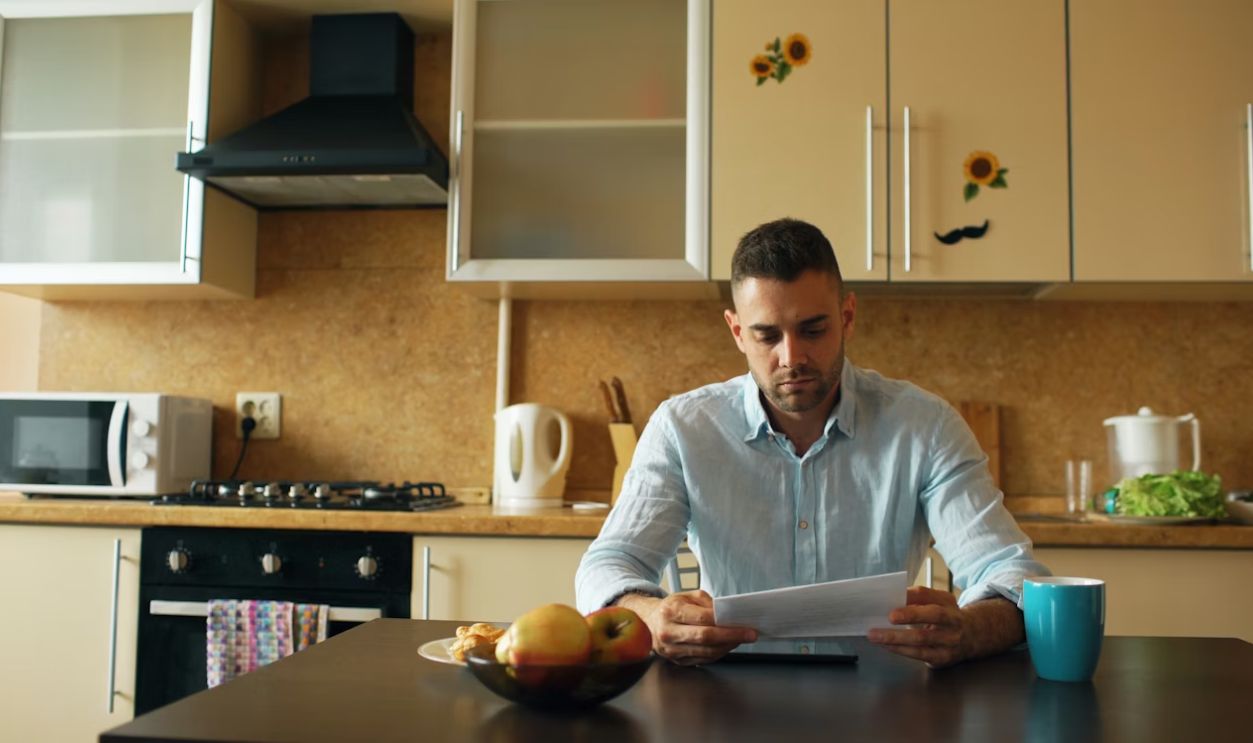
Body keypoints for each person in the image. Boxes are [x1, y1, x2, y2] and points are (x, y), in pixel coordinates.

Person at [575, 217, 1050, 668]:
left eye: (813, 329)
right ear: (738, 332)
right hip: (727, 696)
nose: (792, 357)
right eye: (766, 335)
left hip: (884, 701)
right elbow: (608, 564)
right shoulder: (682, 427)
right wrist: (651, 615)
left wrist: (969, 631)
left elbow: (1013, 573)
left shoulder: (925, 426)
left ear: (847, 315)